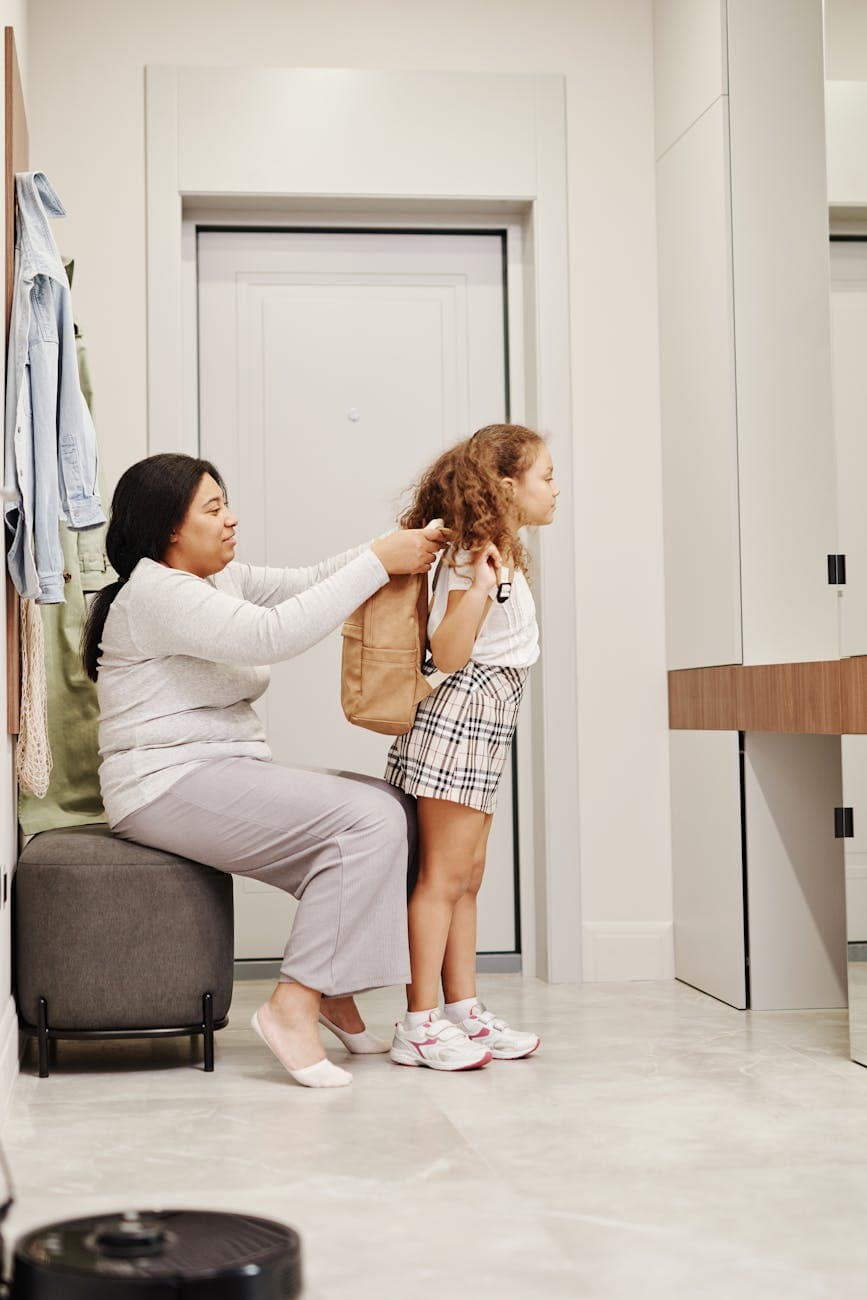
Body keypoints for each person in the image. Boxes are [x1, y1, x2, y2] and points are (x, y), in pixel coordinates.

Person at [82, 452, 444, 1089]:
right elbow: (272, 635)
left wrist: (388, 549)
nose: (231, 520)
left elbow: (310, 581)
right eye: (214, 509)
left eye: (227, 505)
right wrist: (378, 564)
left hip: (216, 772)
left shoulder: (216, 580)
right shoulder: (157, 593)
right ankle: (292, 1005)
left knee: (396, 811)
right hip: (164, 785)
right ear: (170, 528)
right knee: (366, 821)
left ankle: (332, 987)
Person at [384, 423, 558, 1070]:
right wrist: (482, 590)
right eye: (545, 476)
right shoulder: (473, 554)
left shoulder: (495, 547)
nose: (554, 489)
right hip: (461, 715)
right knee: (441, 878)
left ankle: (462, 1012)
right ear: (507, 485)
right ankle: (419, 1024)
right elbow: (448, 653)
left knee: (467, 877)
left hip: (486, 714)